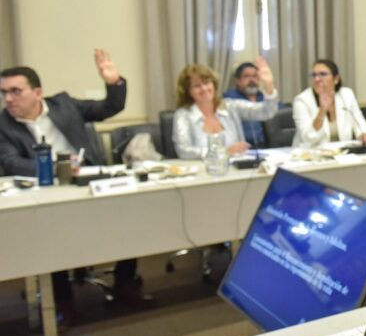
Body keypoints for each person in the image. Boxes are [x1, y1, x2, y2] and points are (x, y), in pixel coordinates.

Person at [0, 49, 149, 319]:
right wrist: (57, 168)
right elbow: (10, 162)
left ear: (37, 92)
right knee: (51, 231)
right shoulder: (3, 124)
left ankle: (125, 284)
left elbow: (108, 108)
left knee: (129, 213)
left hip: (87, 181)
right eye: (4, 93)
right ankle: (62, 302)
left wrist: (114, 82)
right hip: (44, 190)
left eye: (15, 91)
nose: (8, 99)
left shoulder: (64, 105)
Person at [172, 58, 279, 160]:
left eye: (206, 83)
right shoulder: (183, 115)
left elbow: (267, 112)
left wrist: (268, 84)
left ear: (214, 84)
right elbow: (183, 151)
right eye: (196, 86)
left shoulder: (230, 106)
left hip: (237, 171)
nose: (204, 89)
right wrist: (224, 152)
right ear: (188, 92)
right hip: (202, 173)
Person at [292, 59, 366, 148]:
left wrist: (364, 134)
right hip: (310, 155)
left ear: (336, 79)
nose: (317, 79)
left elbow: (360, 123)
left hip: (342, 154)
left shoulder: (346, 95)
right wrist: (322, 111)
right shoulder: (302, 100)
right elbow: (308, 138)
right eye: (314, 75)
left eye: (322, 74)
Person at [222, 62, 276, 147]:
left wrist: (269, 83)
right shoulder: (230, 99)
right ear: (238, 81)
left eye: (255, 76)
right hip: (241, 148)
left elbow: (274, 111)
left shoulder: (263, 97)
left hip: (266, 147)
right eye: (247, 76)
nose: (252, 80)